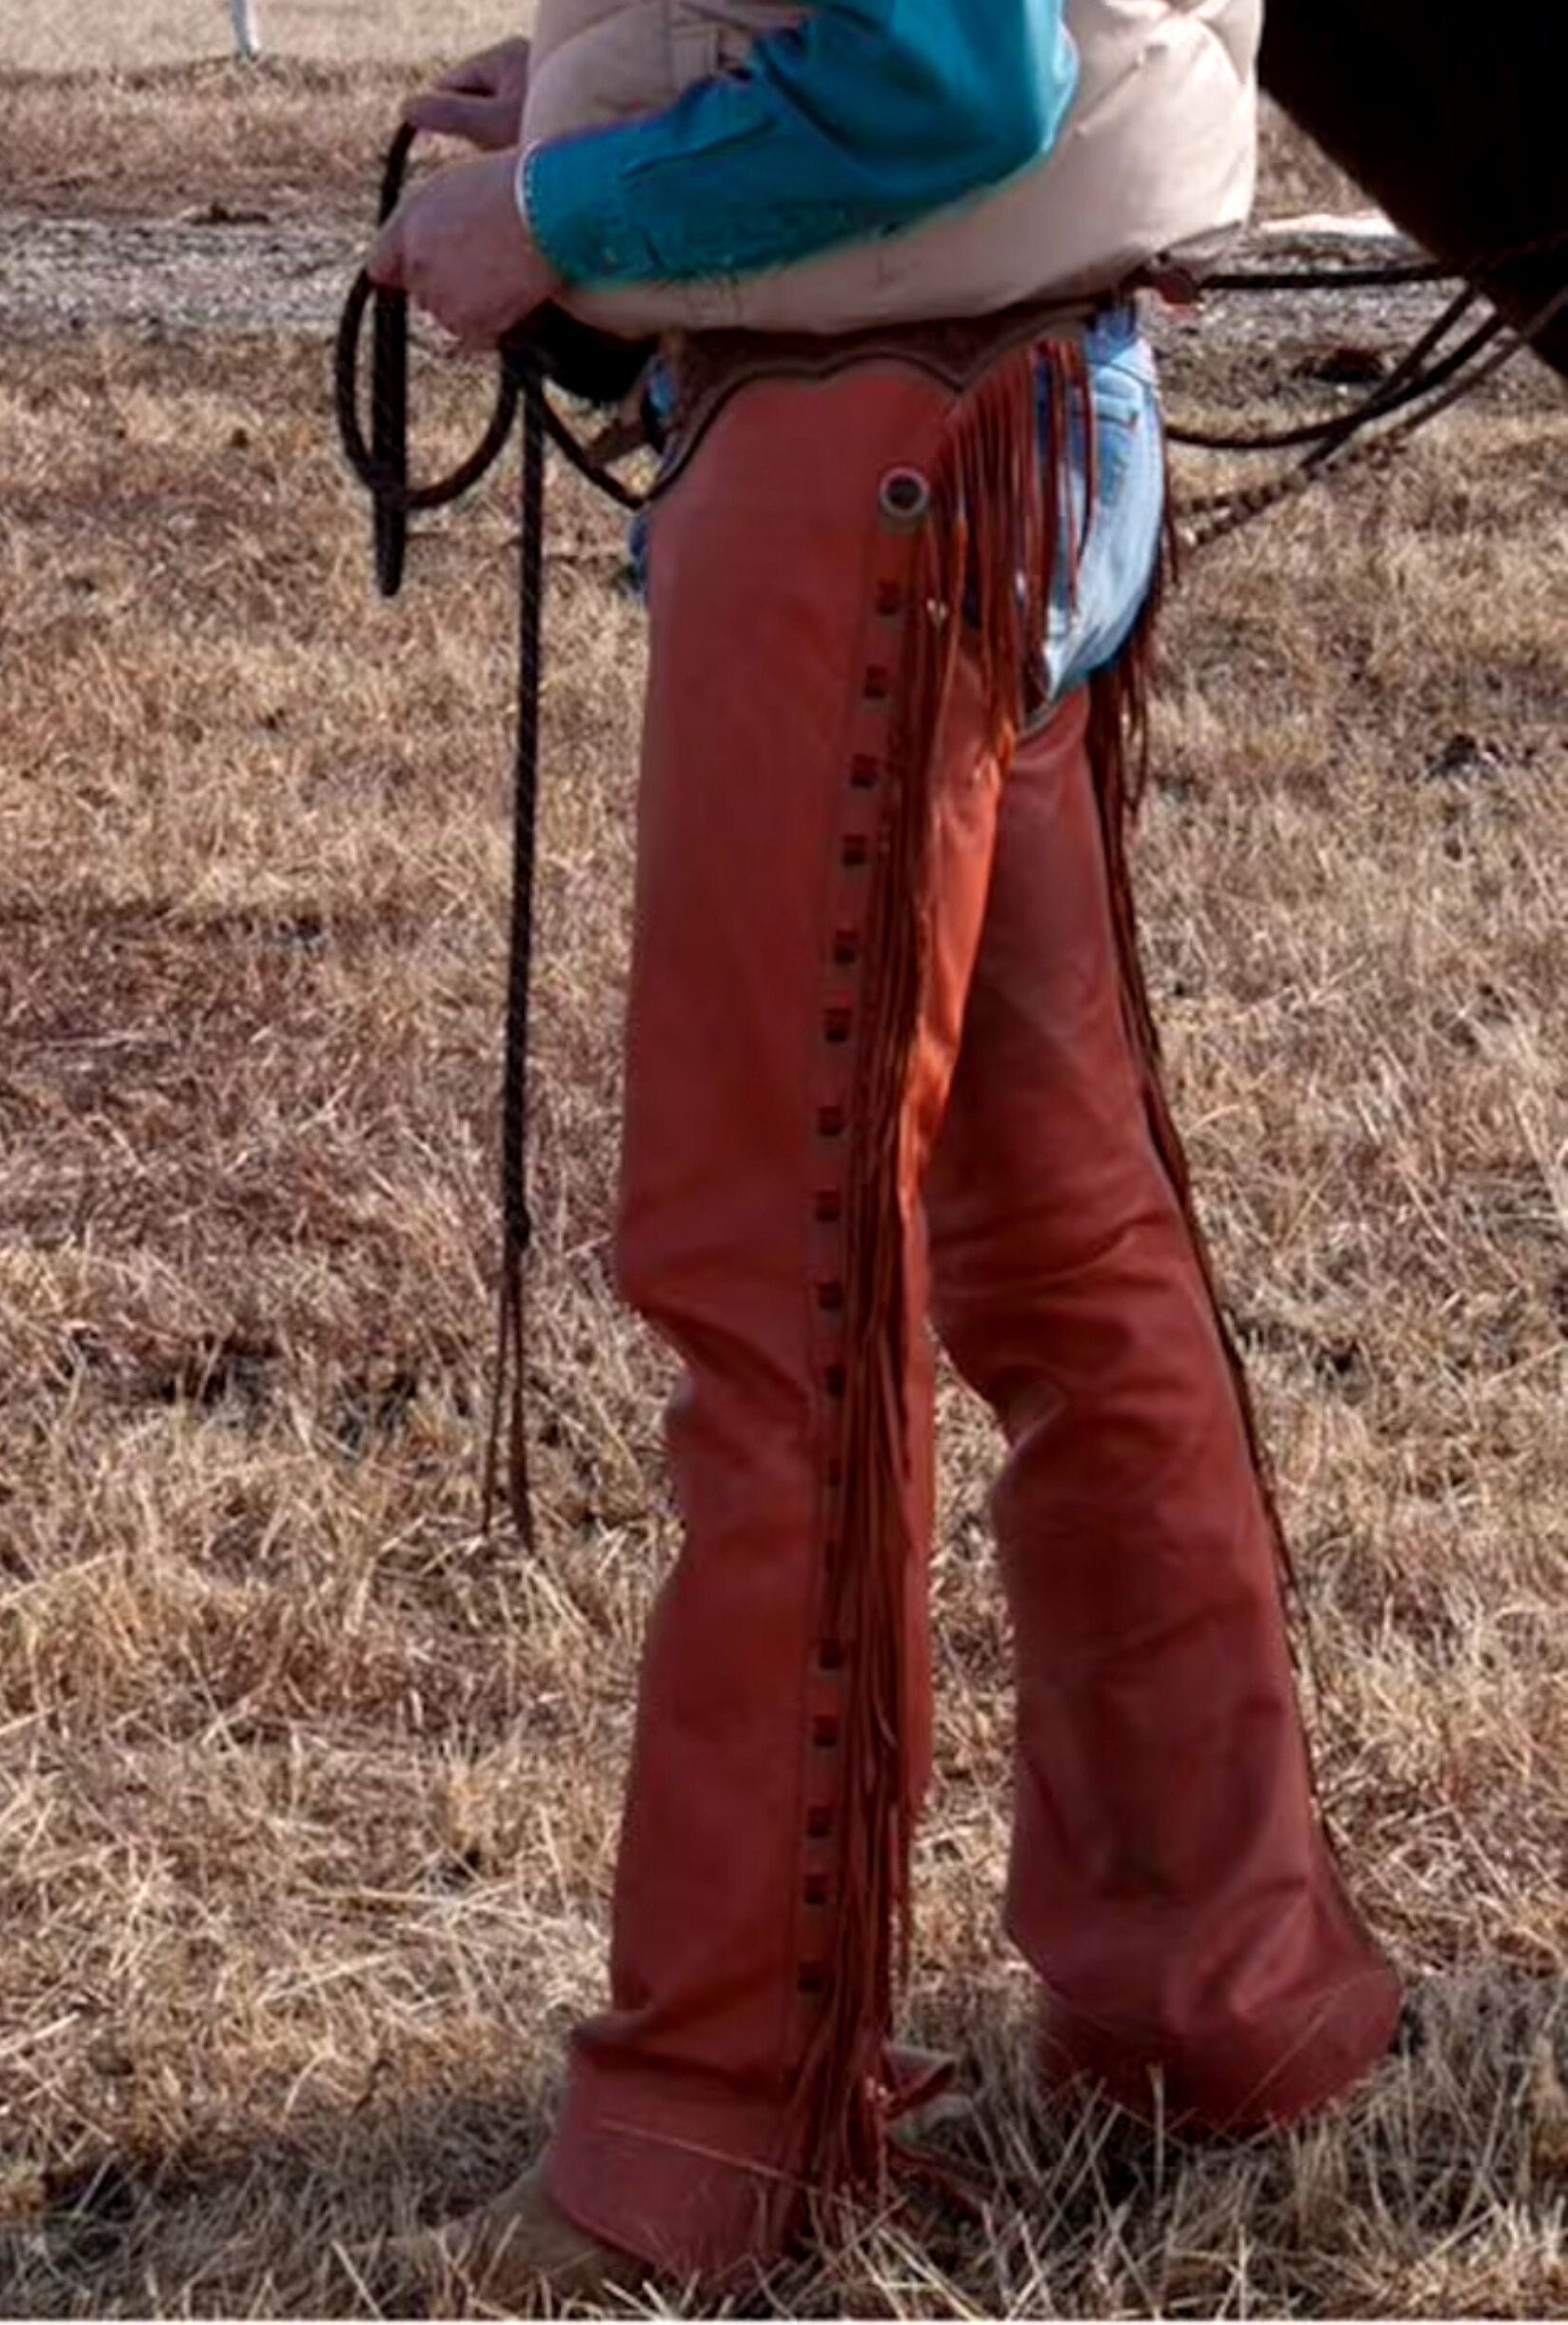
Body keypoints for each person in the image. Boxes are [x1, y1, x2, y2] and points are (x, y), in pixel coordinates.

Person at [366, 0, 1402, 2303]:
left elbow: (939, 84)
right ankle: (1225, 2003)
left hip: (881, 457)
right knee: (1064, 1253)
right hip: (994, 414)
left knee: (775, 1305)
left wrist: (546, 213)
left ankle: (714, 2139)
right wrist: (583, 104)